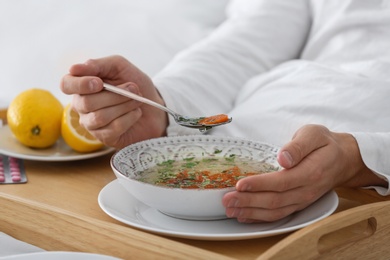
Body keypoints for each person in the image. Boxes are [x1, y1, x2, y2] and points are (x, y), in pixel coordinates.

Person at [60, 0, 390, 222]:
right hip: (239, 150)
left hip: (355, 200)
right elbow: (250, 39)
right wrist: (165, 105)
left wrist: (362, 156)